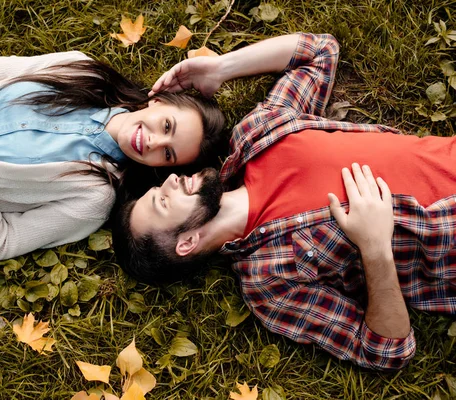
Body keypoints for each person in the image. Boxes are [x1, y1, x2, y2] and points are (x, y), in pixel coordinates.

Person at [111, 32, 456, 371]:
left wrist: (221, 68)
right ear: (186, 243)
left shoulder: (256, 134)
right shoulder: (269, 283)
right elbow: (385, 351)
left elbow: (320, 51)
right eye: (162, 201)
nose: (170, 180)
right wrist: (376, 248)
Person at [0, 51, 225, 260]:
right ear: (157, 101)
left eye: (168, 154)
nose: (154, 143)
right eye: (166, 126)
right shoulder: (82, 70)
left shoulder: (92, 197)